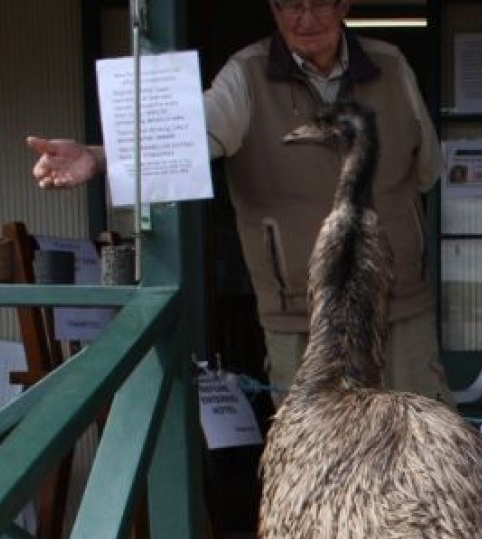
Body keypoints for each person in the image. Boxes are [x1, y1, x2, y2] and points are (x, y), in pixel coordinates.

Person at [28, 0, 453, 407]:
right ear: (273, 9)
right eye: (291, 5)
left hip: (400, 305)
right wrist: (97, 156)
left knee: (420, 448)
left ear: (344, 7)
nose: (306, 18)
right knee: (312, 459)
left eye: (321, 3)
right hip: (298, 313)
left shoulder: (392, 65)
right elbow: (185, 134)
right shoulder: (247, 74)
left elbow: (426, 169)